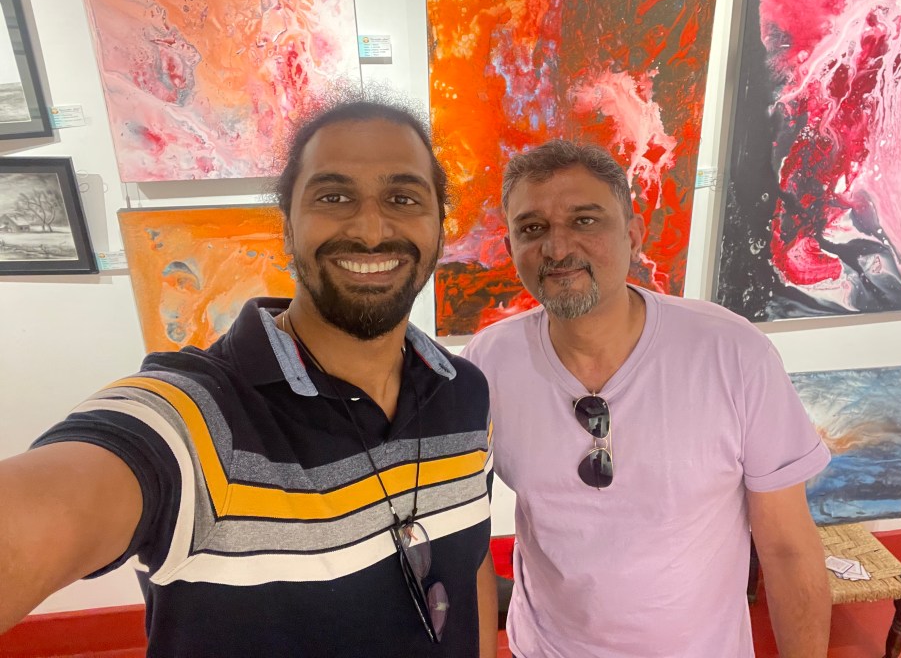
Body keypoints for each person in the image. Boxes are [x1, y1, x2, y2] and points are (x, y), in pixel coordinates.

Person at [0, 97, 498, 657]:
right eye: (333, 197)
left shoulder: (465, 391)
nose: (370, 229)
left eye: (403, 198)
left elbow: (470, 564)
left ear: (438, 228)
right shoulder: (198, 418)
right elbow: (54, 504)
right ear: (287, 226)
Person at [462, 140, 832, 658]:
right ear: (510, 249)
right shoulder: (488, 362)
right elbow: (464, 538)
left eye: (585, 220)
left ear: (634, 234)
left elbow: (788, 547)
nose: (558, 248)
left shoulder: (731, 352)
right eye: (533, 228)